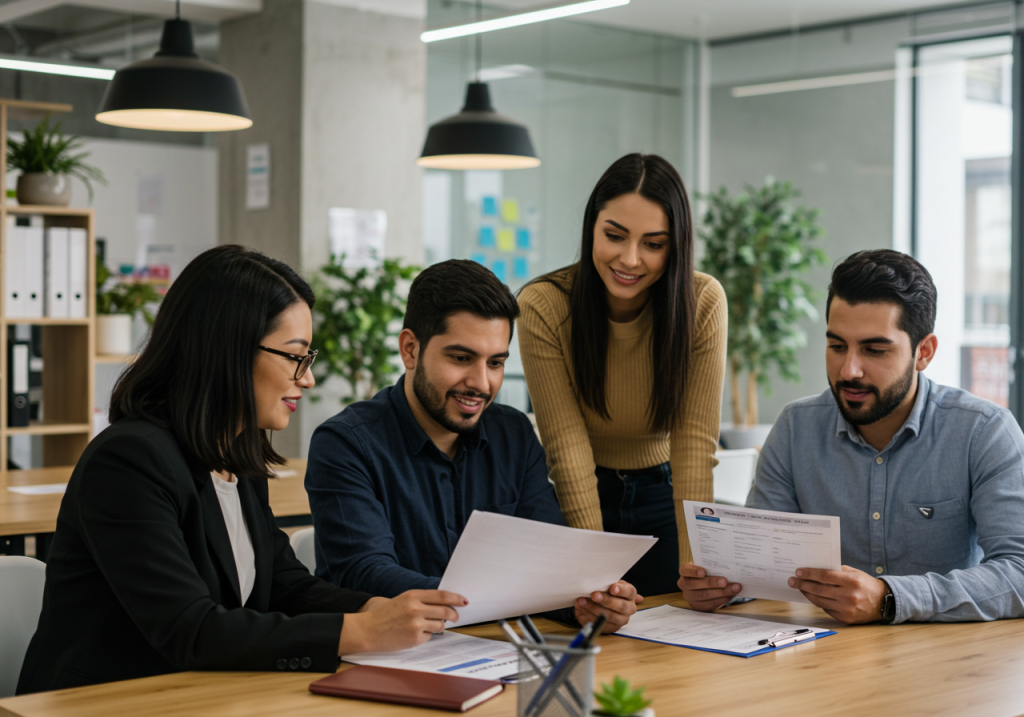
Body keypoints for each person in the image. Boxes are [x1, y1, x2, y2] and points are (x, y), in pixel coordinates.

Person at [17, 246, 467, 695]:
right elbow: (191, 629)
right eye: (295, 356)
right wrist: (362, 631)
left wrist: (378, 608)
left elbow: (284, 585)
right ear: (227, 351)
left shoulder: (237, 454)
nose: (306, 378)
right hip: (105, 703)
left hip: (202, 696)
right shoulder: (129, 461)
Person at [679, 249, 1024, 624]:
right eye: (837, 346)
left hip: (949, 664)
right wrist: (724, 587)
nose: (849, 370)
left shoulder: (983, 431)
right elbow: (759, 567)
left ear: (923, 352)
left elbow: (1019, 572)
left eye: (874, 350)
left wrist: (890, 598)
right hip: (827, 662)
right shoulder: (796, 429)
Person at [305, 259, 640, 632]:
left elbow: (549, 567)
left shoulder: (513, 434)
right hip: (388, 656)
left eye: (495, 362)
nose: (481, 383)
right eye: (461, 358)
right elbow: (366, 573)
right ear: (410, 349)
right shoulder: (345, 443)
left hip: (500, 652)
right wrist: (510, 596)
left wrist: (584, 605)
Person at [517, 153, 727, 597]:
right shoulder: (544, 306)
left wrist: (696, 568)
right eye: (614, 236)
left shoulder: (702, 301)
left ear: (676, 245)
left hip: (664, 497)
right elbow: (566, 448)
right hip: (579, 498)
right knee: (597, 627)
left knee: (679, 634)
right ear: (592, 225)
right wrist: (594, 572)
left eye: (653, 244)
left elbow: (694, 445)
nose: (630, 259)